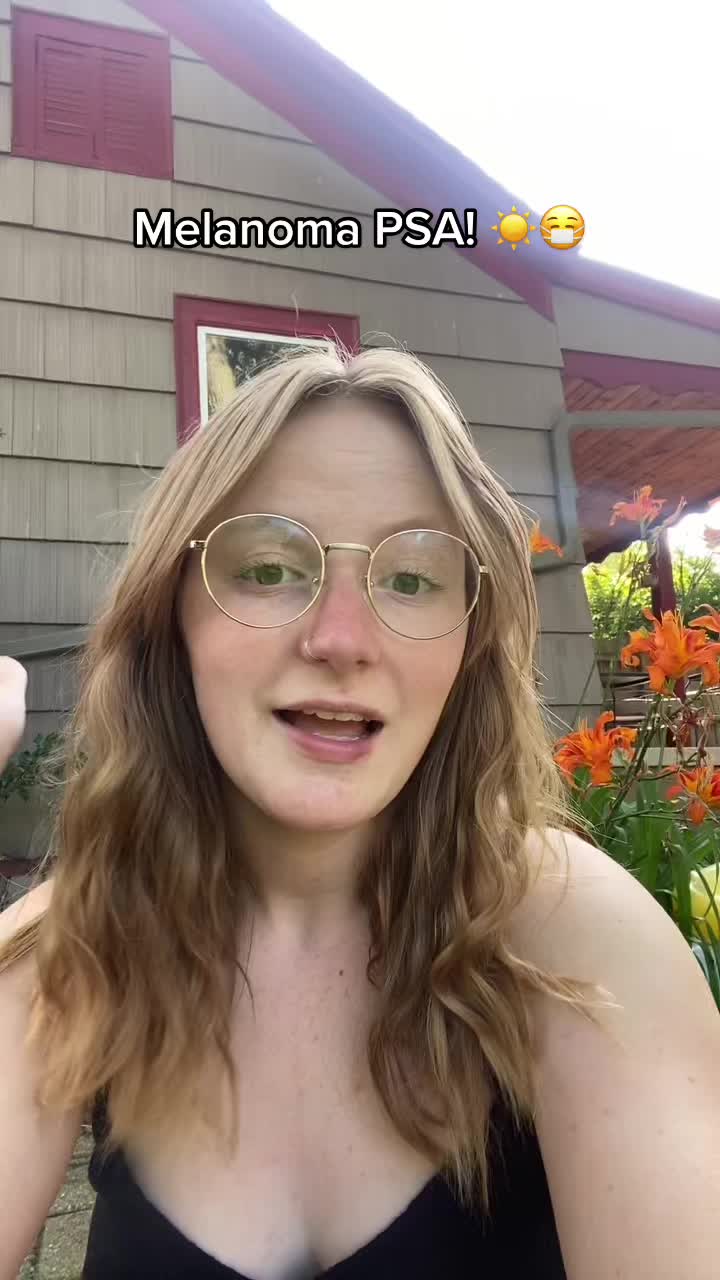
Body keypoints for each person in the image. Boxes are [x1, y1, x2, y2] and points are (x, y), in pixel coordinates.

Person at [0, 345, 718, 1280]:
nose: (341, 639)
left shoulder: (579, 941)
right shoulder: (76, 950)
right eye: (269, 567)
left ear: (468, 644)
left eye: (412, 579)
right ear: (172, 615)